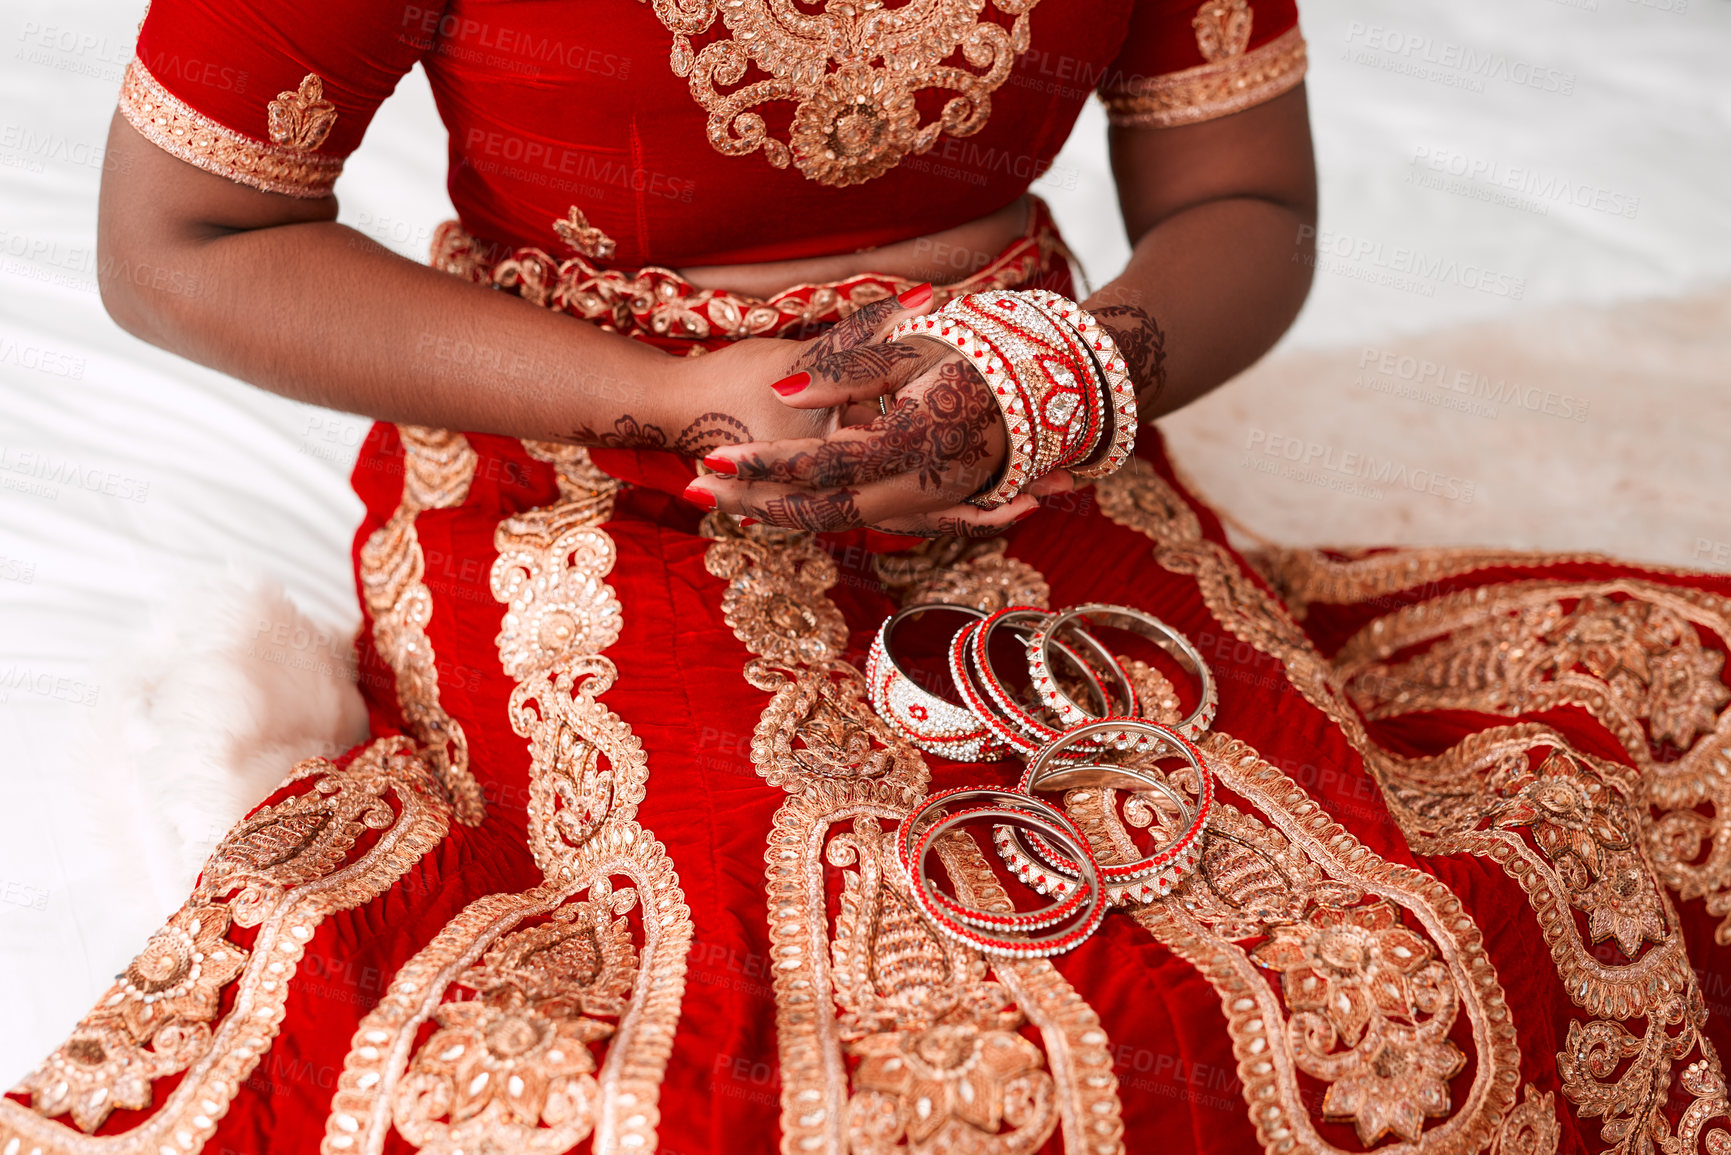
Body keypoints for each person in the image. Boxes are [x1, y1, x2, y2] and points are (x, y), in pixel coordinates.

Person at [5, 0, 1728, 1151]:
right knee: (710, 1057)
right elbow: (183, 246)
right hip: (581, 453)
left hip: (1030, 427)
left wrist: (1042, 388)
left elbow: (1250, 204)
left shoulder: (1037, 400)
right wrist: (669, 398)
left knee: (1374, 934)